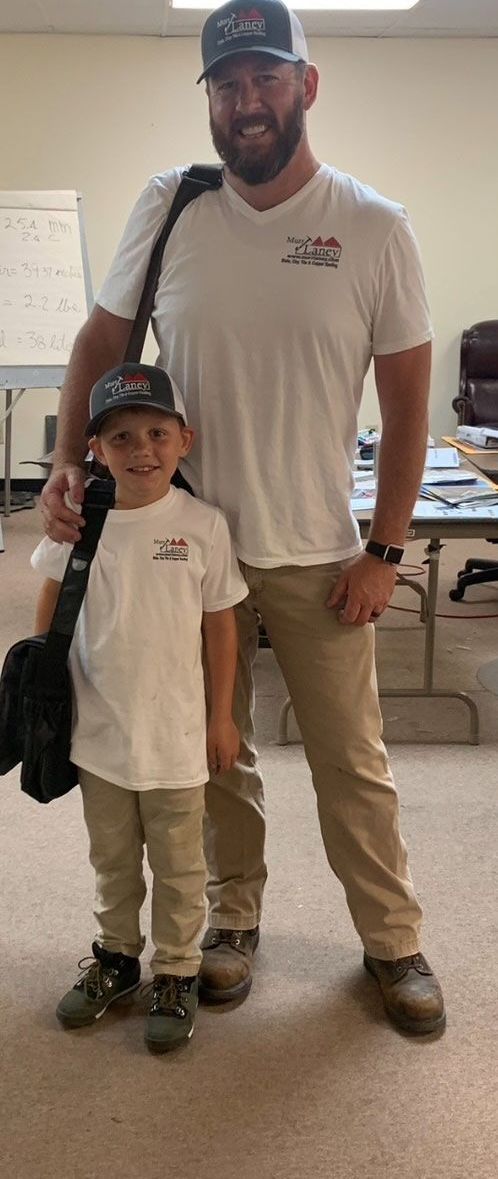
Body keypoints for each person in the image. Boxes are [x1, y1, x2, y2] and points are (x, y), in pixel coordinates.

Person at [41, 0, 446, 1034]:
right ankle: (233, 924)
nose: (246, 103)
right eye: (227, 86)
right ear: (212, 102)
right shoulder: (171, 204)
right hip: (185, 542)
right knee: (210, 751)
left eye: (265, 79)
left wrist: (384, 549)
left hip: (318, 555)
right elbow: (102, 338)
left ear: (305, 87)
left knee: (352, 762)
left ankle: (393, 943)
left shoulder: (373, 225)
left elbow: (407, 405)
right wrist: (61, 458)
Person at [32, 361, 248, 1053]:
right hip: (99, 735)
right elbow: (50, 606)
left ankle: (178, 970)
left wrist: (221, 717)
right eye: (120, 438)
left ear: (186, 439)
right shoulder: (79, 524)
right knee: (114, 858)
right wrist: (39, 682)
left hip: (178, 737)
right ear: (95, 450)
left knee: (182, 865)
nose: (142, 450)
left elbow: (221, 624)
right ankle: (119, 958)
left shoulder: (202, 525)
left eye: (157, 432)